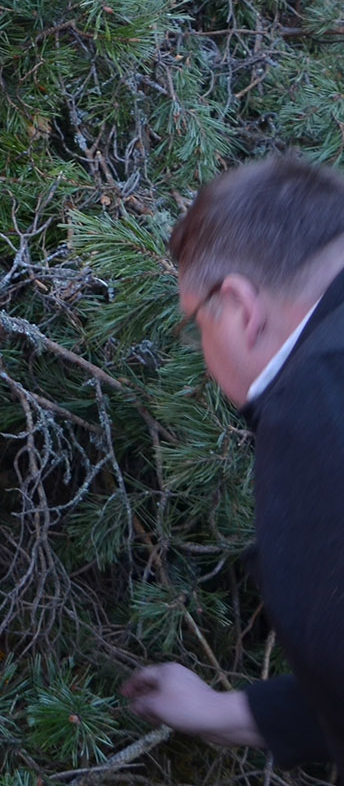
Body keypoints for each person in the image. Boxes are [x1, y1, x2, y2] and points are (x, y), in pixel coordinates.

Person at [121, 153, 344, 768]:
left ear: (240, 308)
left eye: (194, 324)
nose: (198, 348)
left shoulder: (314, 400)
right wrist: (230, 714)